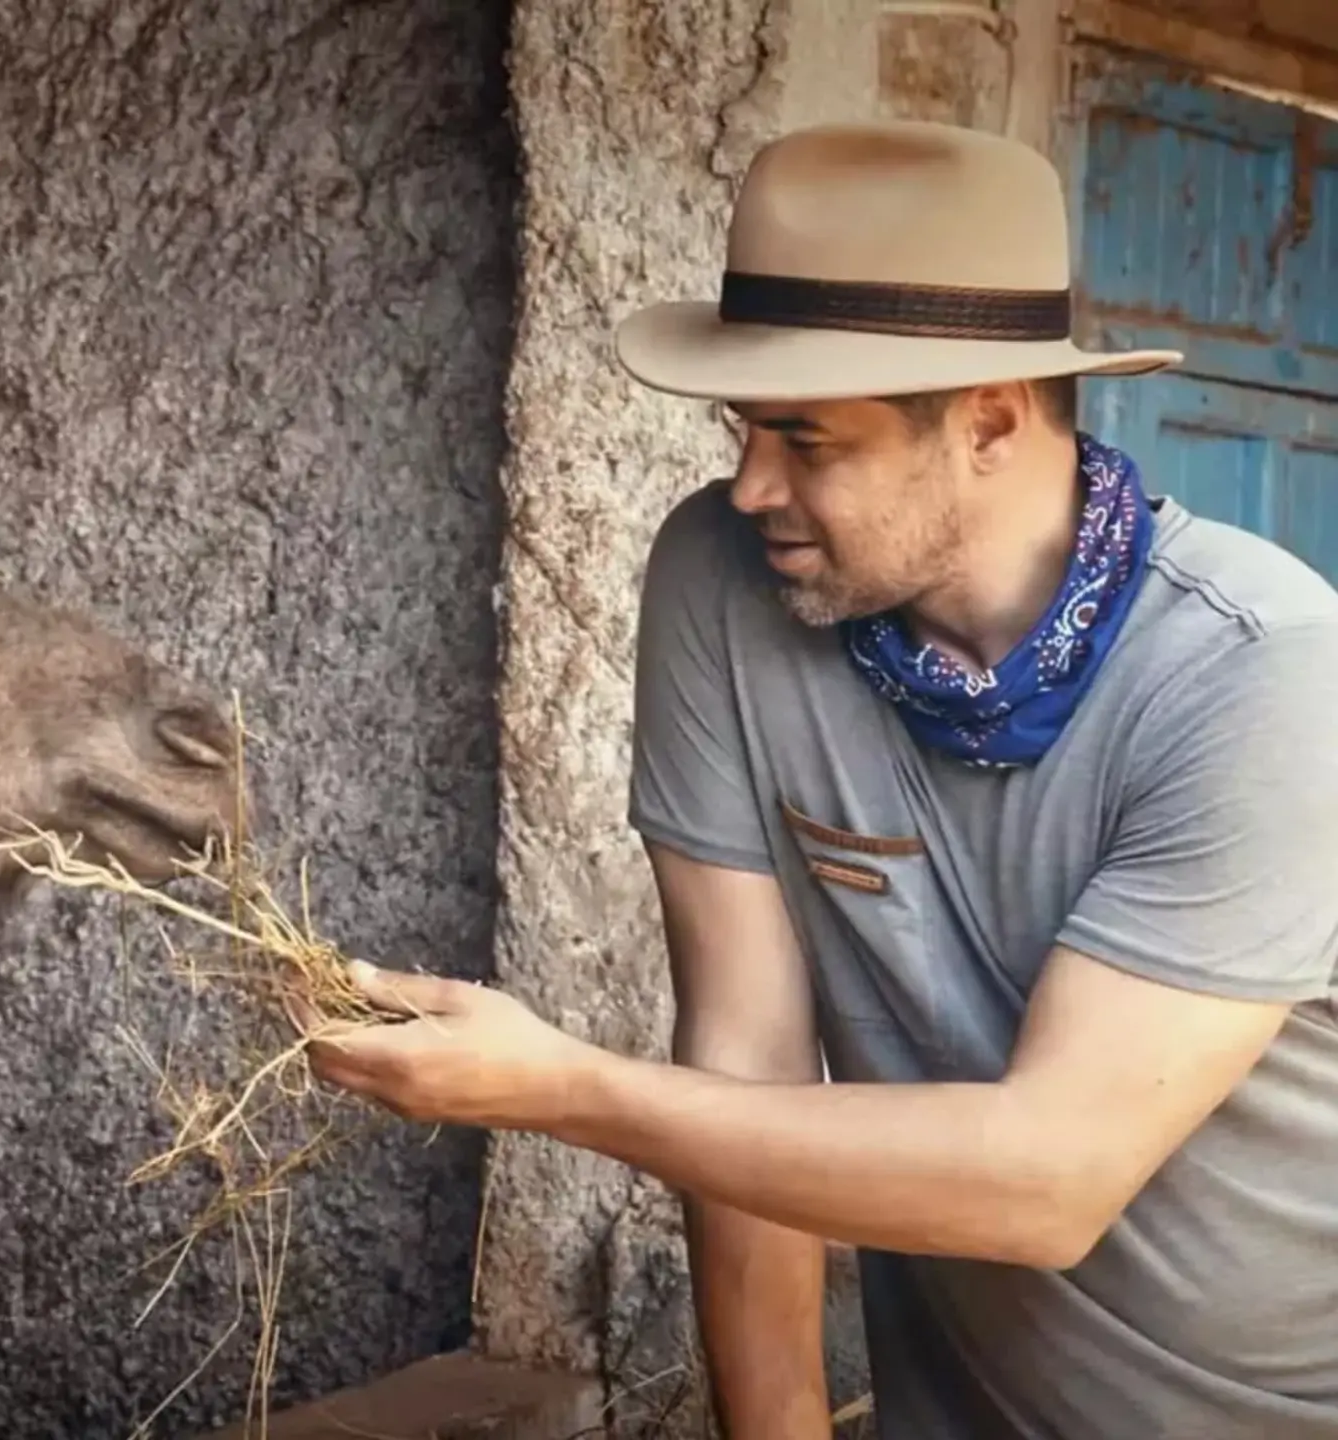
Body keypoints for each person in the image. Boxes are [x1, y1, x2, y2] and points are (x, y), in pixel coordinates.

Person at [305, 118, 1338, 1439]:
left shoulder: (1265, 675)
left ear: (991, 421)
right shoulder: (725, 586)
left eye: (809, 439)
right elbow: (746, 1054)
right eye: (744, 427)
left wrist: (561, 1087)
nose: (750, 485)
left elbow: (1051, 1179)